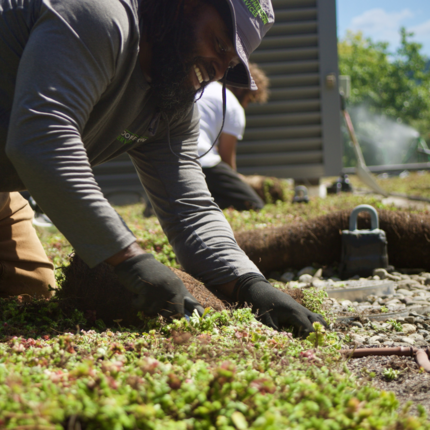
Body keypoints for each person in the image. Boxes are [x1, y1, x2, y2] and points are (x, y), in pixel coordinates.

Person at [0, 0, 326, 336]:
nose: (217, 70)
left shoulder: (172, 100)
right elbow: (41, 138)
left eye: (229, 63)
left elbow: (191, 211)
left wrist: (251, 285)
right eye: (218, 43)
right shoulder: (99, 17)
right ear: (184, 6)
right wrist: (129, 259)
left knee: (32, 293)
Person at [197, 63, 268, 211]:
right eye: (249, 99)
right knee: (254, 205)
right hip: (202, 162)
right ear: (243, 91)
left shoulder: (207, 88)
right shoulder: (233, 105)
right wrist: (239, 182)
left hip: (173, 159)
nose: (246, 106)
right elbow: (226, 161)